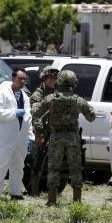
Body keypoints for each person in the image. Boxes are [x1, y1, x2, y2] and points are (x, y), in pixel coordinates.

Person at [32, 70, 95, 206]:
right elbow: (92, 117)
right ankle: (77, 201)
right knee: (76, 169)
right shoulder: (78, 100)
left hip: (56, 137)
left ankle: (52, 200)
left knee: (54, 169)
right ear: (74, 83)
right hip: (73, 137)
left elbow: (36, 113)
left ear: (59, 82)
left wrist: (37, 104)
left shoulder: (51, 99)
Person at [0, 68, 33, 200]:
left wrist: (30, 136)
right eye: (20, 78)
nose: (22, 81)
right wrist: (13, 113)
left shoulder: (25, 97)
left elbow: (28, 118)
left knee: (19, 166)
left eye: (24, 79)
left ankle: (15, 192)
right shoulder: (2, 94)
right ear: (13, 78)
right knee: (2, 164)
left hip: (21, 138)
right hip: (6, 137)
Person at [29, 66, 59, 195]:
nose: (53, 81)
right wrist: (40, 135)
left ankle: (53, 189)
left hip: (56, 132)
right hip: (43, 132)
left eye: (55, 78)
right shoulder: (37, 95)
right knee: (39, 162)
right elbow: (36, 117)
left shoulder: (57, 93)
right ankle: (34, 190)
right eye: (51, 78)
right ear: (44, 79)